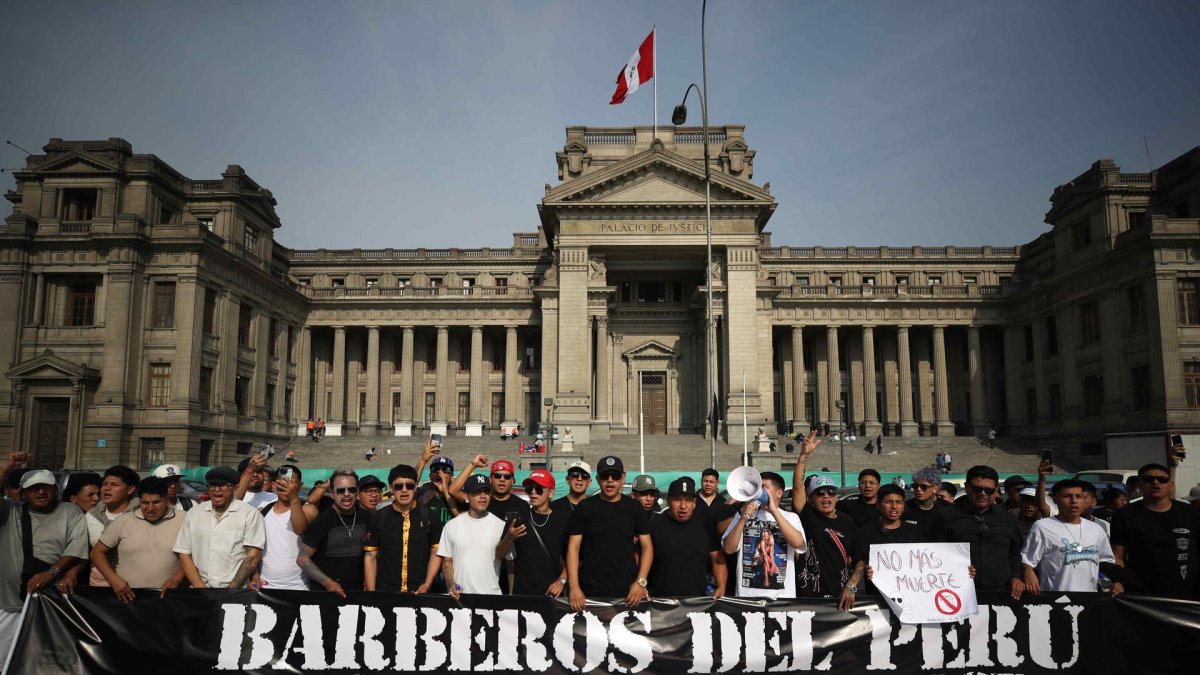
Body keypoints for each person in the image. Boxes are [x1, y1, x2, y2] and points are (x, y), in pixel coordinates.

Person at [0, 456, 89, 657]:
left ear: (55, 490)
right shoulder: (9, 512)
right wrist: (7, 467)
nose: (41, 491)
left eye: (46, 487)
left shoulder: (70, 511)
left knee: (43, 659)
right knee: (4, 659)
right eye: (34, 488)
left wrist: (51, 573)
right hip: (9, 604)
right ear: (22, 494)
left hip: (50, 604)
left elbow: (77, 546)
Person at [566, 455, 653, 611]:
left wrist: (641, 582)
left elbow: (647, 547)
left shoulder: (634, 508)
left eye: (615, 476)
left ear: (623, 478)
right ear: (598, 479)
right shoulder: (585, 507)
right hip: (590, 592)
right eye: (605, 476)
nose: (610, 480)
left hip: (627, 592)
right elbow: (573, 548)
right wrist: (574, 587)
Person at [932, 465, 1024, 598]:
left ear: (996, 489)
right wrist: (955, 567)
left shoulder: (1008, 519)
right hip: (958, 593)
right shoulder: (946, 517)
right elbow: (936, 554)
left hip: (1002, 594)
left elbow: (1015, 554)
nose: (983, 494)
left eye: (989, 490)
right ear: (967, 487)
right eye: (977, 489)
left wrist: (1016, 577)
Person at [90, 477, 186, 602]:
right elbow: (96, 553)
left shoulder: (184, 520)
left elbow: (197, 556)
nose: (150, 508)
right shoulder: (123, 521)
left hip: (171, 599)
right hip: (128, 599)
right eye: (145, 503)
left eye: (156, 502)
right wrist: (113, 579)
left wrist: (177, 578)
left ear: (167, 499)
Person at [1111, 462, 1200, 595]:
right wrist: (1118, 580)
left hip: (1189, 591)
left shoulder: (1190, 513)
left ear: (1171, 485)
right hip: (1142, 592)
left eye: (1162, 479)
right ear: (1139, 485)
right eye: (1148, 479)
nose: (1155, 482)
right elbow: (1118, 557)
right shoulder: (1124, 515)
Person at [789, 429, 857, 599]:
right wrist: (803, 457)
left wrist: (852, 586)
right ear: (811, 499)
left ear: (836, 497)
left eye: (831, 492)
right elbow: (797, 486)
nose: (826, 496)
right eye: (819, 493)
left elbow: (859, 559)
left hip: (840, 594)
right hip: (808, 594)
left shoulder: (848, 521)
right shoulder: (808, 516)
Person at [173, 466, 265, 589]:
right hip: (199, 590)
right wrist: (200, 586)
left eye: (222, 485)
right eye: (212, 485)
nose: (217, 490)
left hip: (234, 591)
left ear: (234, 487)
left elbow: (252, 556)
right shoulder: (194, 513)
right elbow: (183, 552)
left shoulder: (249, 514)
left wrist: (231, 589)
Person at [1021, 478, 1116, 595]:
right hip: (1056, 599)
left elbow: (1106, 561)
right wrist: (1028, 572)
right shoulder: (1042, 527)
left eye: (1079, 496)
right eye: (1067, 496)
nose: (1074, 501)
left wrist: (1113, 582)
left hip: (1091, 599)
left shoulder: (1096, 529)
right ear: (1055, 499)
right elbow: (1027, 560)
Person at [722, 470, 806, 599]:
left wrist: (774, 511)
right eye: (758, 487)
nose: (759, 492)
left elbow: (798, 543)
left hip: (782, 599)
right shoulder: (742, 515)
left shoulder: (790, 517)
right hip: (747, 599)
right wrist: (743, 518)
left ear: (779, 493)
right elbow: (728, 548)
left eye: (765, 487)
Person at [842, 484, 924, 609]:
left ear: (903, 506)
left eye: (899, 502)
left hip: (911, 598)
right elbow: (861, 562)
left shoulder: (914, 531)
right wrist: (852, 585)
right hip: (877, 601)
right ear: (878, 505)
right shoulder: (865, 531)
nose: (894, 506)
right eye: (888, 502)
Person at [364, 464, 443, 593]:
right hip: (386, 594)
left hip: (420, 593)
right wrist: (373, 595)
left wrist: (427, 583)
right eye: (399, 486)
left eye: (409, 485)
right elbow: (370, 556)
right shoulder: (379, 517)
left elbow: (435, 552)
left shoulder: (430, 515)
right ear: (391, 488)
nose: (404, 490)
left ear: (416, 486)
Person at [647, 477, 726, 598]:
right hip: (660, 602)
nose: (683, 506)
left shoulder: (705, 525)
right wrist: (640, 584)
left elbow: (717, 558)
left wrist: (721, 586)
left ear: (694, 503)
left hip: (698, 602)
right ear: (668, 502)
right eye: (677, 500)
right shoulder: (655, 524)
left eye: (688, 500)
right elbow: (641, 556)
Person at [297, 469, 371, 596]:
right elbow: (303, 559)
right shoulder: (322, 520)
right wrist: (327, 582)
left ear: (357, 492)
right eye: (341, 490)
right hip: (326, 594)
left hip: (357, 593)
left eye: (352, 489)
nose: (347, 494)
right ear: (332, 493)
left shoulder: (367, 517)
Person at [440, 474, 508, 597]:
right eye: (477, 492)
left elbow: (510, 565)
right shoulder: (451, 526)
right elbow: (446, 562)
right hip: (460, 599)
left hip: (491, 599)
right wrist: (451, 584)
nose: (483, 496)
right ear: (466, 496)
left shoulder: (501, 526)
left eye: (486, 492)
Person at [508, 470, 571, 597]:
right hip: (523, 594)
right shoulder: (519, 517)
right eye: (529, 488)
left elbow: (574, 555)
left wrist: (562, 581)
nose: (533, 492)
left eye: (539, 489)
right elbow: (503, 556)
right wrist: (509, 538)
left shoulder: (563, 519)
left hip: (552, 594)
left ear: (551, 492)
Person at [257, 466, 317, 591]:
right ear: (274, 484)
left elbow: (299, 529)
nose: (286, 486)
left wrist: (294, 497)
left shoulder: (308, 509)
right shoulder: (264, 511)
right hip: (265, 585)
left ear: (300, 486)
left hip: (299, 586)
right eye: (283, 481)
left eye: (291, 482)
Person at [83, 465, 141, 588]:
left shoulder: (141, 514)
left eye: (114, 485)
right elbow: (83, 552)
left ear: (130, 489)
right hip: (99, 587)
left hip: (133, 586)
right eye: (105, 484)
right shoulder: (91, 516)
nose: (107, 489)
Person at [904, 468, 948, 539]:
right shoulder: (904, 509)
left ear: (935, 488)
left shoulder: (945, 511)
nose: (918, 489)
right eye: (915, 486)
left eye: (923, 486)